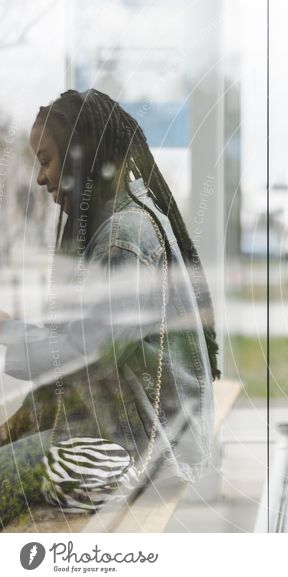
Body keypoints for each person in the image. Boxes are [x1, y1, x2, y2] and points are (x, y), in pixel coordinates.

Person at [0, 89, 220, 529]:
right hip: (138, 439)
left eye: (46, 160)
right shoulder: (119, 222)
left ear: (81, 156)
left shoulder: (124, 237)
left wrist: (6, 330)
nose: (41, 178)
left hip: (141, 453)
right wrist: (15, 428)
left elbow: (76, 357)